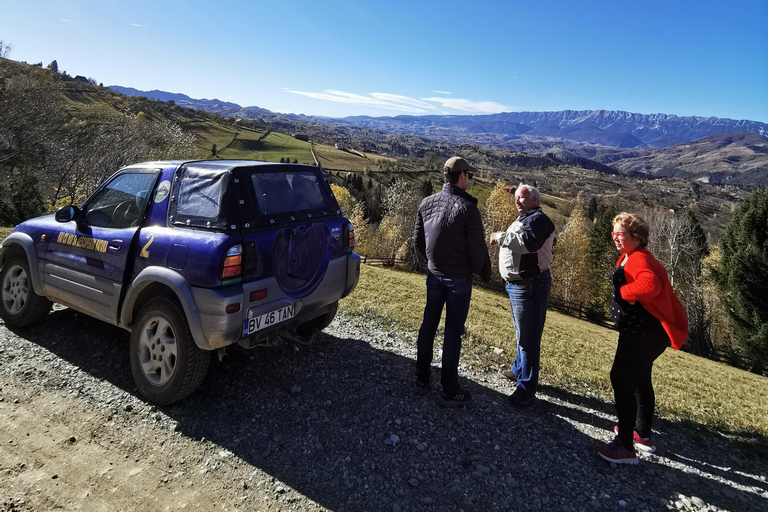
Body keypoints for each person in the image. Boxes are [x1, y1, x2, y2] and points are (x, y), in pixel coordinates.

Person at [597, 212, 688, 465]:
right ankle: (643, 435)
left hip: (642, 334)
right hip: (645, 332)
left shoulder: (638, 259)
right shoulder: (632, 255)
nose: (615, 238)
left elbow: (650, 286)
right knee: (639, 379)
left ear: (636, 237)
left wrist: (626, 293)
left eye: (620, 234)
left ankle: (625, 447)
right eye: (613, 233)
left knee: (621, 378)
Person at [413, 156, 491, 407]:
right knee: (452, 333)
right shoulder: (468, 209)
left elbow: (418, 243)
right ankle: (449, 389)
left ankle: (421, 379)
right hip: (458, 280)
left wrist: (433, 264)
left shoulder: (426, 203)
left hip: (434, 276)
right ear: (462, 176)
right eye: (470, 175)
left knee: (428, 326)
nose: (470, 179)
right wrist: (480, 271)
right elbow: (478, 252)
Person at [490, 184, 555, 406]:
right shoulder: (526, 217)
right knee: (523, 332)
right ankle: (519, 370)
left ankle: (526, 389)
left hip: (530, 285)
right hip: (520, 285)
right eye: (516, 197)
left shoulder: (538, 220)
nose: (518, 201)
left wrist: (500, 236)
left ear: (535, 200)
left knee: (528, 337)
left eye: (523, 198)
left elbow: (527, 243)